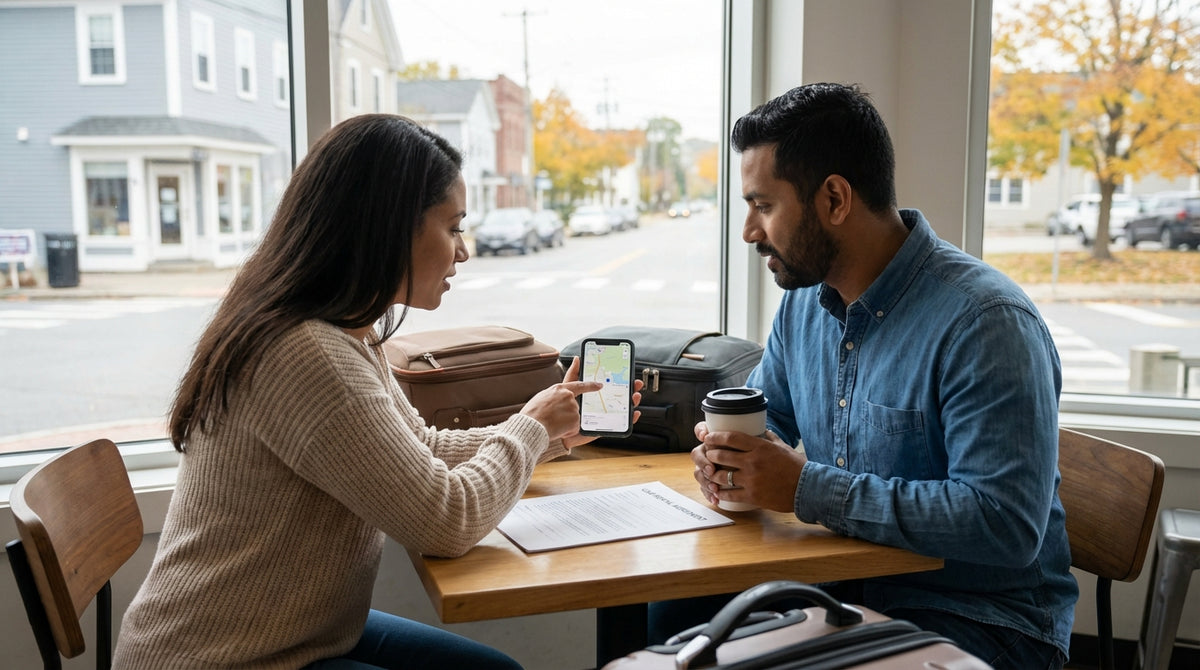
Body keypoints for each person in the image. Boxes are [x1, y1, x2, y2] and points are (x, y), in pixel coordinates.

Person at [113, 114, 638, 670]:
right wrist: (529, 429)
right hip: (225, 659)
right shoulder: (305, 353)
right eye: (454, 227)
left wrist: (551, 435)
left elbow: (425, 452)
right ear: (389, 226)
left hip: (296, 638)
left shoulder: (344, 331)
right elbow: (446, 522)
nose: (464, 251)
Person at [651, 83, 1077, 670]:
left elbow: (1002, 524)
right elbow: (768, 418)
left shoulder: (986, 323)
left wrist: (803, 488)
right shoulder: (806, 302)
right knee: (669, 613)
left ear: (833, 199)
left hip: (980, 619)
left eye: (764, 206)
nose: (749, 231)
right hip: (842, 588)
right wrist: (726, 458)